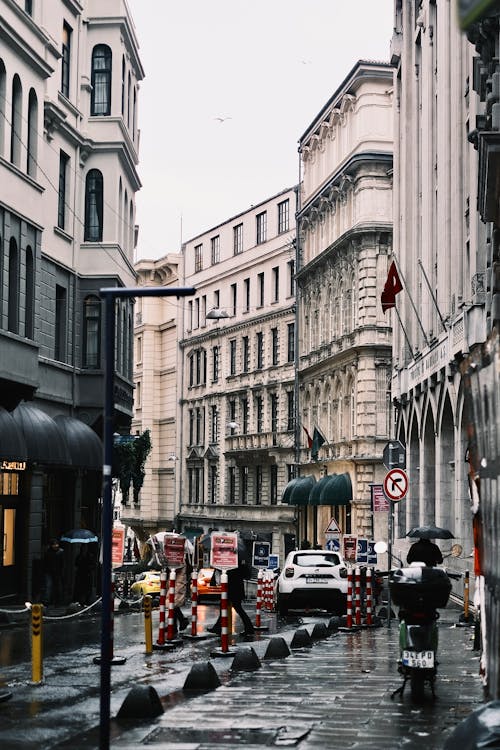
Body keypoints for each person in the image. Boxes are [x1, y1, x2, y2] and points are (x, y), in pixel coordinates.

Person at [207, 556, 254, 636]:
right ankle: (218, 627)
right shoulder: (237, 561)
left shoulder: (235, 561)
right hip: (234, 588)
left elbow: (240, 574)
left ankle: (249, 628)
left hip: (233, 588)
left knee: (236, 608)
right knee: (225, 606)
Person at [42, 539, 65, 605]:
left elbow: (62, 563)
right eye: (54, 544)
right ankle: (48, 601)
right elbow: (45, 562)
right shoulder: (48, 552)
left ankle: (57, 601)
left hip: (57, 572)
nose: (55, 546)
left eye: (56, 544)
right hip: (49, 572)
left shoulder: (60, 552)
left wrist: (62, 571)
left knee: (57, 587)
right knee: (49, 586)